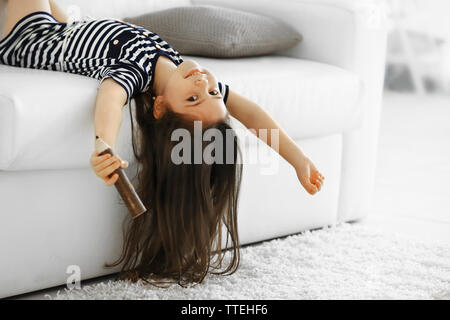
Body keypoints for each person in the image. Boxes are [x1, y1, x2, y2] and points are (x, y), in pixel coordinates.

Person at [1, 0, 325, 287]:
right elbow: (251, 113)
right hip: (67, 29)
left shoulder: (136, 72)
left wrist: (103, 144)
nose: (205, 83)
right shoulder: (180, 74)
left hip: (31, 38)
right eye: (213, 93)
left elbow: (110, 100)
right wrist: (298, 159)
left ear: (160, 107)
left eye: (194, 97)